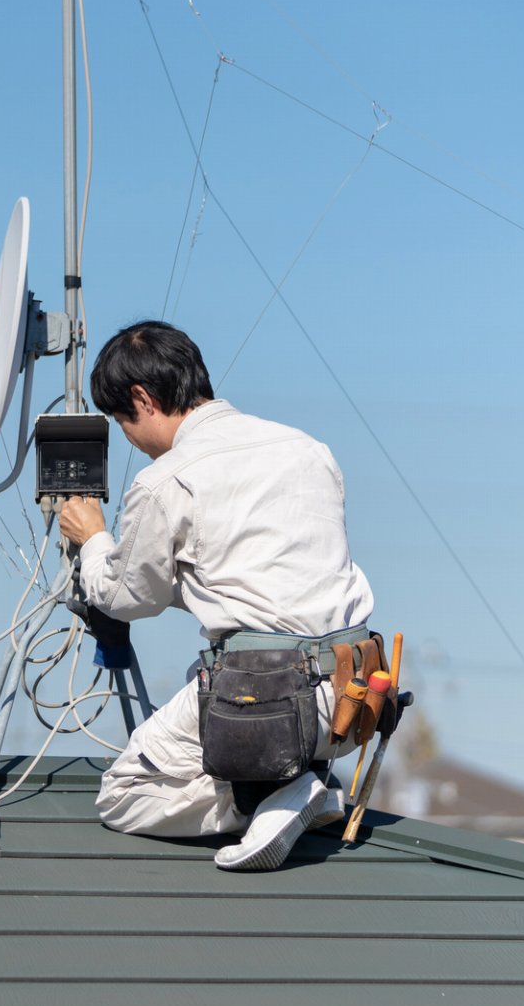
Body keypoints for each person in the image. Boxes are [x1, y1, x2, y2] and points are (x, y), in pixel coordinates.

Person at [57, 320, 375, 870]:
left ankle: (263, 799)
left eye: (122, 421)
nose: (129, 439)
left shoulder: (167, 479)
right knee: (213, 684)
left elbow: (126, 595)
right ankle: (298, 781)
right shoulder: (307, 449)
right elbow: (265, 581)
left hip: (267, 701)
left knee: (123, 792)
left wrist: (93, 538)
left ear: (142, 399)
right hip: (354, 696)